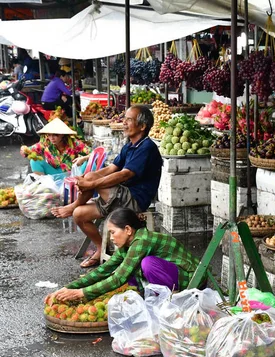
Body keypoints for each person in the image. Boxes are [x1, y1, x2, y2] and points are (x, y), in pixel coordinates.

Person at [51, 105, 162, 268]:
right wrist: (88, 177)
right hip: (119, 198)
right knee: (79, 214)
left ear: (142, 126)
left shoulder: (146, 147)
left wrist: (91, 183)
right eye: (124, 119)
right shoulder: (130, 145)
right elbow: (112, 168)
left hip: (135, 200)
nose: (124, 123)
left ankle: (74, 204)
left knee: (91, 181)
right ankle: (98, 248)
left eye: (129, 120)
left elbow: (125, 174)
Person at [45, 208, 202, 302]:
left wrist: (81, 293)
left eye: (113, 233)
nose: (111, 238)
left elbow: (118, 278)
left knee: (146, 264)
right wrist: (68, 288)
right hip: (172, 274)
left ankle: (168, 299)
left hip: (190, 277)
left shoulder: (143, 240)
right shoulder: (129, 244)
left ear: (128, 230)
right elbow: (104, 269)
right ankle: (148, 296)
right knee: (129, 267)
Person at [20, 118, 90, 176]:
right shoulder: (46, 143)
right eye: (49, 135)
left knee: (88, 163)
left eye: (55, 135)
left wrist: (83, 158)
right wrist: (24, 150)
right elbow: (28, 150)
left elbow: (95, 153)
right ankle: (43, 184)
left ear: (62, 134)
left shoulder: (74, 143)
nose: (52, 138)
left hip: (72, 176)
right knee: (34, 161)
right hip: (52, 174)